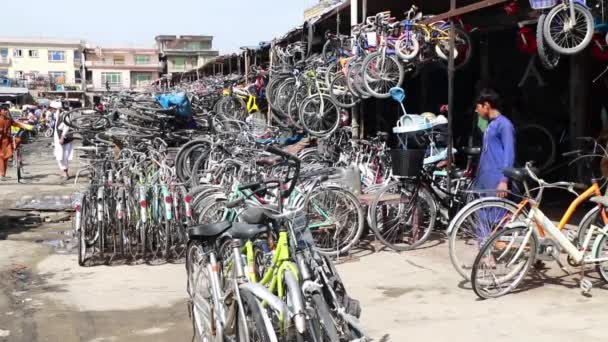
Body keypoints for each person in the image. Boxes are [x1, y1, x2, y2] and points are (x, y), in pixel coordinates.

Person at [475, 89, 516, 197]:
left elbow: (509, 152)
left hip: (497, 179)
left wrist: (504, 180)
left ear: (486, 105)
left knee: (498, 213)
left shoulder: (504, 125)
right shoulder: (490, 125)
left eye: (478, 106)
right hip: (485, 178)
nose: (476, 110)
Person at [0, 102, 31, 180]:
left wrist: (24, 126)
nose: (6, 111)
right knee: (1, 157)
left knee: (5, 158)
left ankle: (3, 175)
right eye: (4, 110)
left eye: (6, 110)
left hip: (7, 140)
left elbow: (16, 124)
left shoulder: (8, 119)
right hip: (1, 141)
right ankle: (2, 174)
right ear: (1, 111)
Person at [50, 101, 72, 180]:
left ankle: (65, 174)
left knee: (63, 156)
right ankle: (64, 173)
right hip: (58, 138)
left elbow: (66, 127)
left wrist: (62, 137)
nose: (51, 110)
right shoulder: (58, 114)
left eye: (52, 109)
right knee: (60, 156)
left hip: (63, 138)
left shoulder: (65, 115)